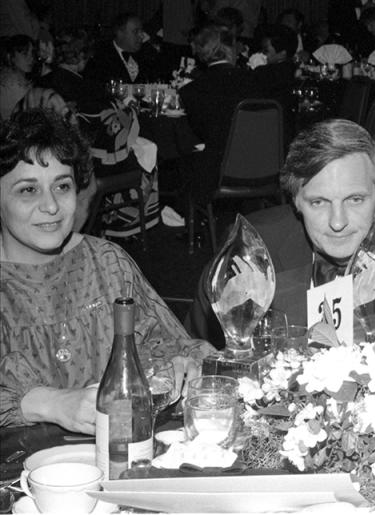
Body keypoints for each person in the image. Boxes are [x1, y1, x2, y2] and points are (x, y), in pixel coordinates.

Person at [185, 119, 375, 347]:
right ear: (296, 200)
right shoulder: (254, 247)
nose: (338, 222)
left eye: (355, 199)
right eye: (319, 202)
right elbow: (200, 350)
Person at [0, 109, 214, 433]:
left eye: (62, 186)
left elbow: (167, 344)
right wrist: (51, 404)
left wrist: (181, 364)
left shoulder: (105, 263)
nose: (51, 206)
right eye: (28, 190)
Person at [178, 23, 256, 205]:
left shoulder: (191, 91)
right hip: (265, 168)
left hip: (219, 173)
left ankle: (189, 219)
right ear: (231, 50)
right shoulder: (257, 81)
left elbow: (199, 134)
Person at [84, 13, 153, 84]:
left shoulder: (148, 54)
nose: (142, 36)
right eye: (136, 32)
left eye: (142, 31)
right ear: (119, 33)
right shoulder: (100, 59)